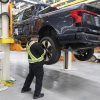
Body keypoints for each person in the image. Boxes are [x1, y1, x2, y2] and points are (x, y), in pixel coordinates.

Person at [21, 35, 45, 99]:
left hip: (31, 64)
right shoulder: (36, 45)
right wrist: (43, 48)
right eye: (38, 38)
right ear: (36, 38)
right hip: (37, 64)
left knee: (30, 76)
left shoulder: (28, 43)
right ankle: (37, 94)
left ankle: (25, 88)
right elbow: (42, 52)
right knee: (39, 79)